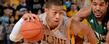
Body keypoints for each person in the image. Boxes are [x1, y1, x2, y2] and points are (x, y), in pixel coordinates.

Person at [9, 0, 97, 44]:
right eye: (55, 13)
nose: (58, 16)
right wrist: (22, 19)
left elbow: (88, 30)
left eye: (60, 13)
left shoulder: (69, 23)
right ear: (46, 10)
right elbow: (13, 38)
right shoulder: (37, 21)